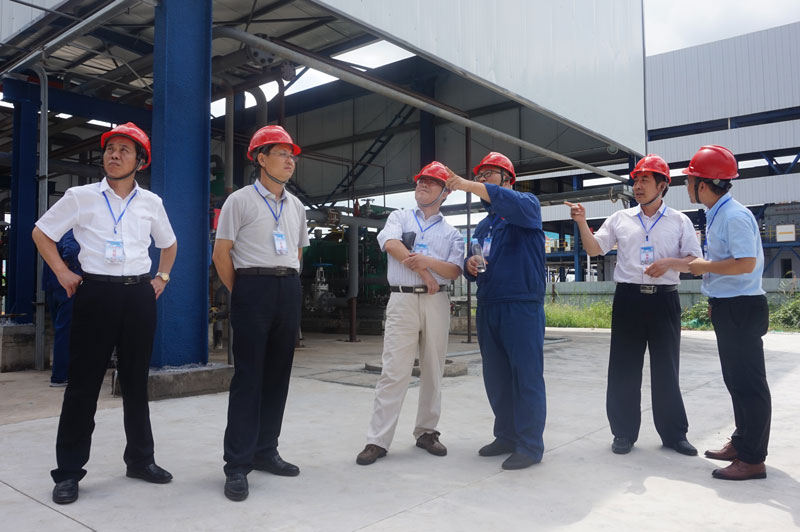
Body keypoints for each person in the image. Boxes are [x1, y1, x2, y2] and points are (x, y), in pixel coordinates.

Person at [32, 122, 178, 505]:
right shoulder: (81, 197)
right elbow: (41, 232)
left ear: (140, 161)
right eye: (110, 148)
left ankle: (141, 460)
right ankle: (68, 473)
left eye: (124, 150)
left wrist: (161, 277)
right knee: (83, 385)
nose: (114, 155)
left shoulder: (151, 203)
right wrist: (62, 272)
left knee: (136, 383)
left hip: (138, 295)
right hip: (95, 293)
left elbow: (169, 243)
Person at [566, 154, 701, 457]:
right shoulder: (620, 219)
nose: (638, 186)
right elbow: (594, 249)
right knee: (624, 368)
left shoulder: (679, 221)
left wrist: (669, 263)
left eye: (645, 180)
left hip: (665, 299)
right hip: (628, 299)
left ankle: (674, 435)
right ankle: (623, 433)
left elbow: (695, 262)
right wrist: (582, 222)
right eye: (636, 180)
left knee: (667, 369)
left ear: (662, 185)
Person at [213, 125, 309, 501]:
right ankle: (237, 464)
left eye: (292, 155)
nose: (290, 160)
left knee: (278, 377)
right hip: (252, 287)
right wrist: (243, 291)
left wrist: (287, 282)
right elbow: (221, 253)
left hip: (288, 288)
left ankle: (266, 451)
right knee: (248, 378)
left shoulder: (296, 206)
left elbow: (297, 252)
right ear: (261, 158)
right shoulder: (239, 201)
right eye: (282, 153)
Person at [356, 161, 464, 466]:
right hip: (402, 299)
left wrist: (426, 263)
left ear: (445, 192)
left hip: (436, 301)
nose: (422, 184)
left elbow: (454, 270)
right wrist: (426, 273)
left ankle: (427, 431)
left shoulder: (452, 233)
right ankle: (377, 439)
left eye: (431, 182)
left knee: (433, 368)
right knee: (394, 370)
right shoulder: (399, 217)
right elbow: (391, 244)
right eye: (420, 180)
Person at [445, 152, 546, 470]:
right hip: (490, 305)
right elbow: (472, 265)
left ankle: (530, 445)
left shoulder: (527, 207)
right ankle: (505, 435)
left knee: (526, 376)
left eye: (489, 173)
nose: (483, 179)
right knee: (497, 377)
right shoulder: (484, 226)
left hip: (521, 305)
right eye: (481, 174)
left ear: (508, 179)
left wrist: (465, 184)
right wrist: (470, 265)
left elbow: (507, 202)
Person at [684, 145, 771, 481]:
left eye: (689, 180)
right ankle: (742, 441)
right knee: (735, 381)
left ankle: (753, 459)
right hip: (728, 305)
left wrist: (704, 266)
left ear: (703, 184)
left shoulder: (733, 216)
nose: (687, 186)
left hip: (742, 308)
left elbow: (745, 263)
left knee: (749, 384)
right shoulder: (717, 213)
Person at [42, 229, 81, 387]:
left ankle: (61, 373)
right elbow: (71, 251)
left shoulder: (55, 232)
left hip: (53, 286)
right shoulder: (74, 229)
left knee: (61, 329)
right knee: (68, 331)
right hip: (68, 287)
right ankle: (61, 375)